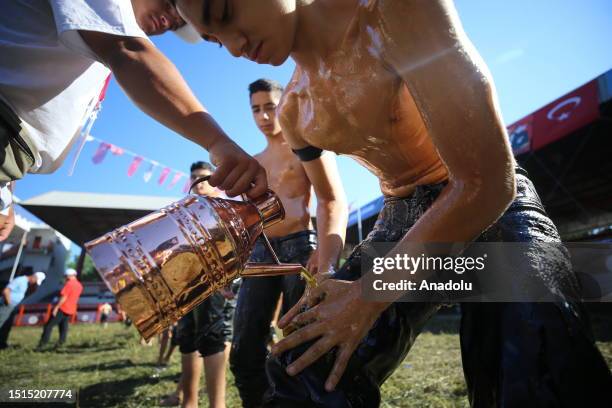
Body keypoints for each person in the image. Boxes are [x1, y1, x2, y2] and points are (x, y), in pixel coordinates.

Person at [176, 1, 612, 407]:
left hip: (492, 211)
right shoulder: (295, 112)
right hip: (400, 224)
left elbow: (486, 181)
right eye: (215, 39)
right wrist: (326, 275)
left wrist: (368, 294)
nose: (234, 47)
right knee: (302, 369)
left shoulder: (391, 10)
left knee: (537, 367)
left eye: (226, 11)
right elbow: (328, 199)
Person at [0, 0, 267, 242]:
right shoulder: (113, 28)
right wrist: (217, 140)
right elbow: (129, 51)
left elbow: (25, 97)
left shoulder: (93, 29)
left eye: (179, 23)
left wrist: (7, 193)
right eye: (171, 3)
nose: (172, 19)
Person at [229, 78, 348, 408]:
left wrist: (325, 256)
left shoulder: (305, 146)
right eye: (256, 109)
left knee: (300, 345)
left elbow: (332, 200)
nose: (264, 116)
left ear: (282, 107)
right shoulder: (253, 161)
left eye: (270, 107)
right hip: (260, 251)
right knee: (244, 346)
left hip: (300, 248)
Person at [161, 161, 235, 408]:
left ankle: (217, 405)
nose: (199, 182)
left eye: (205, 178)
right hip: (187, 282)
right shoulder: (185, 209)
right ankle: (187, 401)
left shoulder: (224, 208)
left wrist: (226, 280)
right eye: (194, 177)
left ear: (216, 181)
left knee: (213, 336)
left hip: (215, 281)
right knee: (187, 336)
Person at [37, 268, 83, 350]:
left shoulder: (69, 284)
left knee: (48, 326)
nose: (65, 278)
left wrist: (57, 307)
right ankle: (61, 342)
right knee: (63, 326)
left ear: (68, 276)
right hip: (71, 308)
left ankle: (42, 344)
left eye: (66, 276)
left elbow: (64, 296)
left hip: (63, 307)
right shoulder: (79, 285)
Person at [0, 268, 46, 349]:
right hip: (7, 305)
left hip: (12, 307)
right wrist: (9, 303)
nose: (35, 283)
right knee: (1, 322)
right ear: (34, 277)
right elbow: (6, 291)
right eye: (36, 281)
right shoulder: (20, 280)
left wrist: (34, 288)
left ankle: (2, 343)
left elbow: (28, 293)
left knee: (6, 326)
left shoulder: (27, 284)